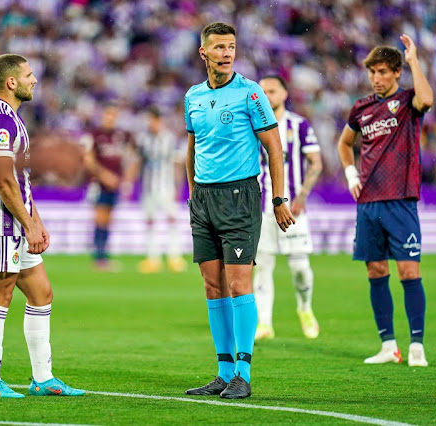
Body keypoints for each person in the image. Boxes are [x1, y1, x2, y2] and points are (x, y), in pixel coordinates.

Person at [183, 22, 295, 399]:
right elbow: (192, 147)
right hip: (204, 200)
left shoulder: (251, 94)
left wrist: (279, 199)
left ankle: (243, 374)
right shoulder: (194, 96)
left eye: (231, 47)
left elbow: (274, 149)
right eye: (219, 47)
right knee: (212, 285)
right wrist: (192, 194)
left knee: (238, 284)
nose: (226, 53)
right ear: (204, 53)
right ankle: (223, 371)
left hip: (239, 197)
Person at [0, 53, 84, 398]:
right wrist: (27, 224)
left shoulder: (11, 119)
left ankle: (43, 378)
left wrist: (37, 221)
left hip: (16, 220)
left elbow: (20, 181)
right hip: (0, 220)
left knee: (41, 293)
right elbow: (3, 180)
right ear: (11, 82)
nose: (34, 80)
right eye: (29, 75)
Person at [337, 35, 433, 367]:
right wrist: (351, 174)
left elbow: (428, 98)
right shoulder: (361, 108)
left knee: (409, 271)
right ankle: (388, 345)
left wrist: (414, 60)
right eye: (372, 72)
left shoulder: (408, 102)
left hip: (401, 200)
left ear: (395, 73)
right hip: (368, 204)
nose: (376, 78)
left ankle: (417, 345)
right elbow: (344, 143)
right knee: (375, 270)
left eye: (382, 72)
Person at [253, 75, 324, 340]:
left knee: (299, 267)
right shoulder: (251, 125)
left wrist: (303, 194)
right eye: (262, 91)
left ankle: (305, 309)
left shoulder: (299, 125)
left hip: (293, 207)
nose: (267, 95)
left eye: (272, 91)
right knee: (263, 265)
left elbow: (316, 162)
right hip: (261, 208)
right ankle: (264, 323)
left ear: (284, 94)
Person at [81, 103, 138, 271]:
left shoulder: (120, 135)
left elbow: (132, 156)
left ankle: (103, 255)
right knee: (100, 217)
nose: (110, 118)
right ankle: (98, 257)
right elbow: (88, 159)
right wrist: (104, 176)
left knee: (108, 219)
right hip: (99, 183)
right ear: (102, 116)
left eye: (113, 115)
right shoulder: (94, 134)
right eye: (108, 115)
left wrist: (127, 178)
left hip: (115, 183)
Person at [136, 106, 188, 274]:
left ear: (160, 121)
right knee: (150, 222)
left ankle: (175, 257)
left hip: (166, 187)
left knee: (172, 221)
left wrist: (178, 187)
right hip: (149, 187)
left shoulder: (169, 139)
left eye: (154, 120)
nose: (151, 124)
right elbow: (138, 162)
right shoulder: (143, 139)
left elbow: (177, 164)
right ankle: (153, 259)